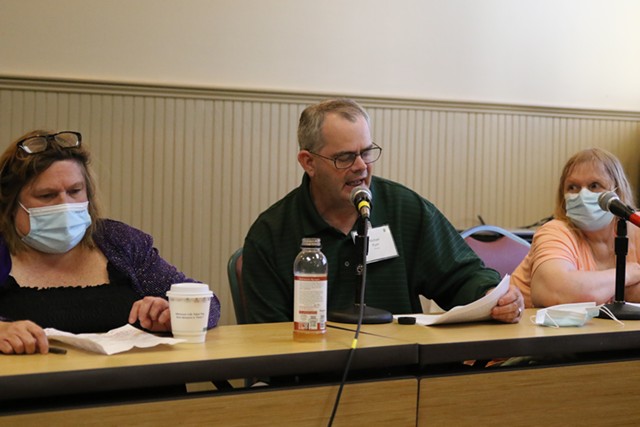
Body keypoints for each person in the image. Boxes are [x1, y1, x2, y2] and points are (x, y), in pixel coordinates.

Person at [242, 98, 523, 324]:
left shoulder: (405, 209)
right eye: (345, 157)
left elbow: (461, 276)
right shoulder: (270, 235)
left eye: (366, 152)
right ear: (309, 162)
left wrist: (493, 295)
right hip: (314, 381)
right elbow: (268, 340)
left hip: (403, 373)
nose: (361, 166)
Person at [0, 130, 221, 354]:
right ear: (11, 204)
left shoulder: (119, 241)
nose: (65, 205)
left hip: (142, 382)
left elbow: (208, 305)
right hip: (39, 385)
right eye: (47, 195)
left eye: (75, 191)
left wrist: (172, 316)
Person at [511, 147, 640, 308]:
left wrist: (605, 287)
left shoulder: (636, 226)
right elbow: (553, 293)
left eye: (594, 185)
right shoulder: (555, 231)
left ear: (618, 191)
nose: (582, 195)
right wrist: (629, 273)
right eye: (572, 187)